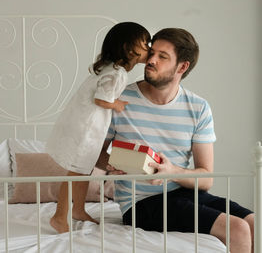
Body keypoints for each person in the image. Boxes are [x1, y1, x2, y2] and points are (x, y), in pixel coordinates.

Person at [96, 28, 254, 253]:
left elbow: (206, 178)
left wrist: (171, 172)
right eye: (152, 53)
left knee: (255, 224)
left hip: (186, 194)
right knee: (237, 228)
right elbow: (96, 153)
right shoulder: (119, 100)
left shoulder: (198, 108)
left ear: (182, 67)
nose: (151, 60)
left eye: (162, 56)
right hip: (141, 203)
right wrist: (111, 164)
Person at [46, 22, 151, 233]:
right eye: (145, 44)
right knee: (75, 173)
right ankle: (59, 216)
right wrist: (117, 104)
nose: (149, 49)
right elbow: (102, 100)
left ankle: (79, 210)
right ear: (129, 49)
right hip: (87, 130)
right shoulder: (118, 73)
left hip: (84, 126)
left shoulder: (107, 68)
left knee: (84, 171)